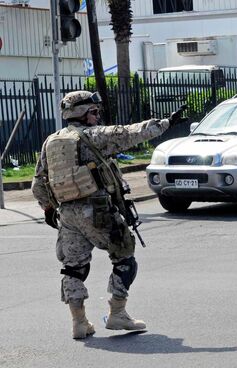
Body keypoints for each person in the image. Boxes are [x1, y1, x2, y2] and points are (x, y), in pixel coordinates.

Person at [31, 91, 187, 339]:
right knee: (125, 256)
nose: (97, 116)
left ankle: (79, 323)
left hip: (68, 215)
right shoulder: (94, 136)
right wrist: (166, 122)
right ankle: (117, 313)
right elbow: (130, 133)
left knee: (73, 268)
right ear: (82, 114)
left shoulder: (51, 141)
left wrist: (49, 209)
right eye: (94, 112)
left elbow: (38, 185)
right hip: (98, 210)